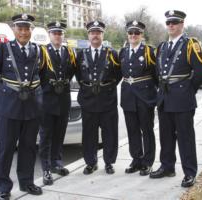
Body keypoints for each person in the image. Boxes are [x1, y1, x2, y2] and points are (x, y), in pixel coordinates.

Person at [0, 13, 44, 200]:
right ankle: (3, 186)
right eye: (20, 28)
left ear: (31, 31)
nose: (24, 32)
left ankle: (27, 181)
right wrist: (2, 95)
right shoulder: (3, 49)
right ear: (14, 30)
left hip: (32, 108)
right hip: (8, 108)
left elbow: (41, 76)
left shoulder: (38, 50)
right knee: (6, 148)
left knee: (28, 147)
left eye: (27, 28)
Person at [149, 10, 202, 188]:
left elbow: (200, 72)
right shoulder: (162, 47)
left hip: (182, 99)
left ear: (182, 24)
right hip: (164, 98)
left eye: (175, 22)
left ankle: (189, 172)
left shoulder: (191, 44)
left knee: (185, 137)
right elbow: (157, 73)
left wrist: (188, 91)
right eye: (169, 23)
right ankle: (167, 166)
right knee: (165, 136)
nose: (171, 26)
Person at [75, 20, 122, 175]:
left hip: (107, 100)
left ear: (103, 34)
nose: (95, 35)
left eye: (98, 32)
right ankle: (91, 162)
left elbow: (118, 75)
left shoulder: (112, 53)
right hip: (88, 100)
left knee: (110, 133)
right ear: (88, 35)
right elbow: (78, 74)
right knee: (89, 134)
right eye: (92, 32)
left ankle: (109, 162)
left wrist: (107, 86)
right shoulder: (81, 54)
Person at [39, 21, 76, 185]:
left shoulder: (69, 52)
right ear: (49, 34)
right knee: (46, 135)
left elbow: (74, 71)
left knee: (59, 134)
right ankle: (46, 168)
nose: (57, 36)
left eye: (60, 33)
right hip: (47, 99)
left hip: (63, 99)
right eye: (54, 33)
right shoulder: (42, 52)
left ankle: (56, 163)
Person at [119, 20, 158, 175]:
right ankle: (136, 159)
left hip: (145, 97)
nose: (133, 35)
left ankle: (147, 162)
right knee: (132, 130)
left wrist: (154, 95)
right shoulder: (122, 52)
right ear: (127, 35)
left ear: (142, 35)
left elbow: (156, 76)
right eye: (131, 33)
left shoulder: (149, 51)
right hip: (128, 97)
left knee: (147, 130)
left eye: (137, 33)